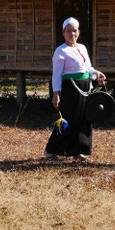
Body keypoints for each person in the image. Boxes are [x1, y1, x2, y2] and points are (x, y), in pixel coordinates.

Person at [44, 17, 106, 160]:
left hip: (84, 87)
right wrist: (56, 94)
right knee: (69, 119)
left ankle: (78, 151)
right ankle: (51, 150)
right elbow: (57, 75)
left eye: (74, 31)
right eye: (69, 31)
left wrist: (96, 73)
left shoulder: (82, 48)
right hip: (71, 88)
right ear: (63, 33)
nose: (72, 34)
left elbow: (87, 68)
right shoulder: (61, 51)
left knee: (84, 118)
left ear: (78, 32)